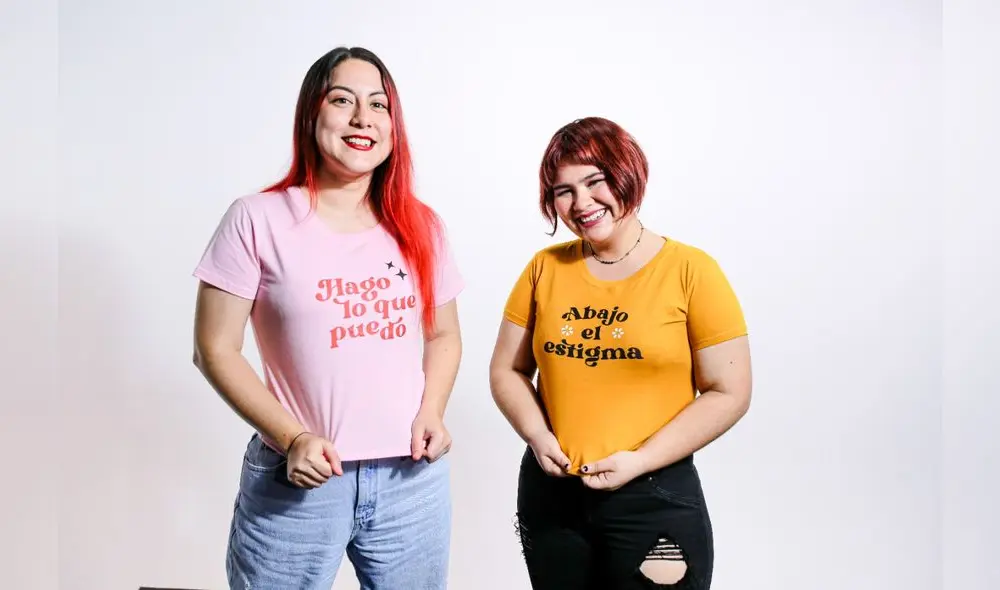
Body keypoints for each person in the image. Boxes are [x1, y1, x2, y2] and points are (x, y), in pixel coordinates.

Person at [191, 46, 463, 589]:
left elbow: (444, 334)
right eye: (343, 100)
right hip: (301, 480)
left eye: (379, 105)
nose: (363, 119)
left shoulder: (421, 224)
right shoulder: (257, 219)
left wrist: (432, 409)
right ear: (311, 114)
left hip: (411, 481)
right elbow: (215, 349)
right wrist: (291, 438)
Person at [489, 116, 752, 589]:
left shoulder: (692, 270)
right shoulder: (544, 268)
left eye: (595, 181)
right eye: (562, 190)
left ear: (629, 172)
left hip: (653, 496)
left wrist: (641, 460)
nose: (581, 203)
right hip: (552, 498)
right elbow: (507, 370)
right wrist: (536, 434)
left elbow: (729, 391)